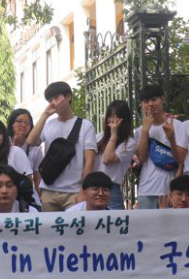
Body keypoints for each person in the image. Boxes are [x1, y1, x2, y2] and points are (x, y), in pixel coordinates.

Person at [132, 85, 179, 279]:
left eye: (154, 99)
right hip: (148, 191)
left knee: (176, 245)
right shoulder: (140, 130)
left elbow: (182, 159)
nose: (150, 104)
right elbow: (141, 158)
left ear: (162, 99)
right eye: (146, 101)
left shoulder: (179, 126)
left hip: (173, 192)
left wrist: (171, 137)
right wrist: (144, 131)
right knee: (150, 248)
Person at [26, 81, 97, 211]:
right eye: (50, 100)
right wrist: (45, 115)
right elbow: (30, 141)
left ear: (68, 97)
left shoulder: (85, 126)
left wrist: (84, 190)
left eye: (56, 97)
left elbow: (89, 161)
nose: (53, 102)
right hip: (49, 191)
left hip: (74, 192)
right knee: (50, 225)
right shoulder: (48, 125)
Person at [65, 172, 118, 279]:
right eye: (95, 189)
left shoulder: (117, 218)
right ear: (85, 192)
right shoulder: (70, 215)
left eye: (105, 190)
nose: (100, 193)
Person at [94, 100, 136, 211]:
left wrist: (113, 135)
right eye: (110, 116)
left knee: (114, 221)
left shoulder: (129, 143)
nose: (113, 120)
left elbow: (107, 159)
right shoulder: (99, 137)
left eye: (117, 117)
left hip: (111, 189)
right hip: (93, 187)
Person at [8, 108, 44, 193]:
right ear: (12, 124)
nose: (24, 125)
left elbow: (37, 179)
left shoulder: (35, 150)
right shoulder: (3, 144)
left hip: (25, 193)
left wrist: (39, 197)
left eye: (28, 123)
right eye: (20, 121)